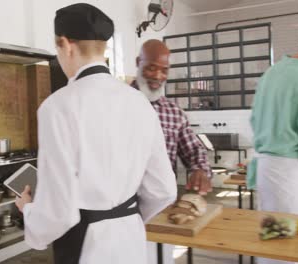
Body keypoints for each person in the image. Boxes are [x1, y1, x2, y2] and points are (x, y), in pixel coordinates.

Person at [15, 3, 177, 264]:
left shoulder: (57, 107)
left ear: (66, 45)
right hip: (131, 239)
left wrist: (29, 210)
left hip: (85, 246)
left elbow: (60, 211)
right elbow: (164, 190)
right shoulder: (139, 102)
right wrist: (123, 216)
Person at [131, 39, 213, 264]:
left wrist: (200, 170)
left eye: (164, 70)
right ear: (138, 63)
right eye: (151, 67)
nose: (157, 76)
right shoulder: (117, 103)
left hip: (162, 208)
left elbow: (193, 149)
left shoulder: (173, 112)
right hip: (122, 211)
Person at [249, 32, 298, 264]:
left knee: (272, 238)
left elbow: (254, 119)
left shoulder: (273, 71)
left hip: (266, 168)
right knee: (289, 248)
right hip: (288, 174)